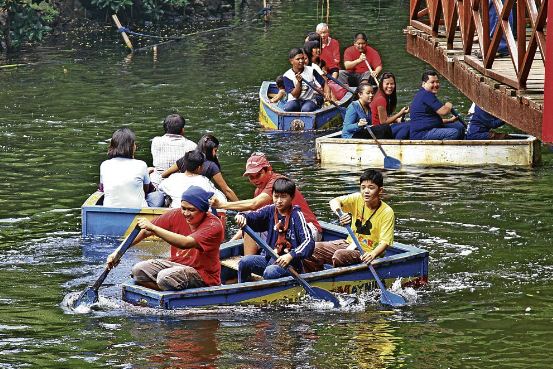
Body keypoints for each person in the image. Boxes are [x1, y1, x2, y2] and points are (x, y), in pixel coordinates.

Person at [106, 186, 224, 290]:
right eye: (184, 208)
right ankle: (163, 292)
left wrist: (154, 229)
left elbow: (185, 243)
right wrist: (118, 252)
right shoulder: (176, 214)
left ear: (203, 210)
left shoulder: (213, 225)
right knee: (138, 270)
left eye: (191, 210)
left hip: (202, 274)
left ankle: (167, 293)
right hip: (176, 265)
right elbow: (144, 231)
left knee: (164, 277)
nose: (186, 213)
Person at [210, 152, 321, 255]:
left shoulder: (277, 182)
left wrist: (221, 205)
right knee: (250, 224)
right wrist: (229, 243)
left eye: (258, 175)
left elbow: (254, 204)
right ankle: (249, 265)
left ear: (268, 170)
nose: (255, 180)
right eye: (251, 177)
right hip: (282, 229)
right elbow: (252, 219)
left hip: (307, 230)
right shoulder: (258, 191)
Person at [303, 169, 394, 272]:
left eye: (371, 188)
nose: (366, 191)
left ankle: (339, 281)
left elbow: (385, 242)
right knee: (311, 248)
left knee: (340, 255)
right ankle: (316, 279)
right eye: (363, 187)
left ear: (380, 190)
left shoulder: (387, 212)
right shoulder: (357, 198)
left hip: (368, 252)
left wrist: (372, 254)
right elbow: (334, 201)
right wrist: (340, 213)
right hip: (350, 244)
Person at [235, 177, 315, 282]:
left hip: (290, 265)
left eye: (283, 197)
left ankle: (268, 294)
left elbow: (309, 242)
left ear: (291, 197)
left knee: (270, 271)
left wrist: (291, 255)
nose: (279, 201)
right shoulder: (270, 210)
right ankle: (243, 290)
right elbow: (252, 216)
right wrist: (242, 216)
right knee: (244, 262)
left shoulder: (297, 215)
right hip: (270, 259)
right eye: (276, 196)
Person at [161, 134, 239, 201]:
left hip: (182, 196)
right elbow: (226, 190)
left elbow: (164, 175)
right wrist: (242, 208)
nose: (215, 154)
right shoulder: (211, 166)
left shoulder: (187, 159)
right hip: (200, 198)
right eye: (215, 150)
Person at [100, 128, 165, 208]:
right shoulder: (141, 165)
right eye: (134, 144)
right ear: (132, 147)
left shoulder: (104, 165)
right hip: (138, 211)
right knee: (159, 195)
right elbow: (146, 190)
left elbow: (102, 188)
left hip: (110, 209)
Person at [409, 70, 465, 140]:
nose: (436, 85)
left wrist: (450, 120)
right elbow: (444, 112)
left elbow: (431, 120)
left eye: (437, 82)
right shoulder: (426, 95)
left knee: (460, 127)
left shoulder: (426, 94)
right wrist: (448, 105)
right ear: (424, 84)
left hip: (430, 127)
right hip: (422, 133)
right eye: (432, 82)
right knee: (454, 133)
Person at [159, 149, 226, 208]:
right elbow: (221, 199)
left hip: (176, 212)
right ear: (200, 167)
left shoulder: (173, 178)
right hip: (195, 214)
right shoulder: (204, 181)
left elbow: (160, 188)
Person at [150, 114, 197, 186]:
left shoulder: (156, 141)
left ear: (165, 128)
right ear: (182, 129)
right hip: (180, 182)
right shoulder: (191, 145)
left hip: (158, 180)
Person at [282, 47, 331, 112]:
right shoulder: (287, 76)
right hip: (294, 100)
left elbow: (324, 83)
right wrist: (299, 82)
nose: (301, 61)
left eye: (302, 58)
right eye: (298, 59)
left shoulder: (311, 70)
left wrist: (327, 92)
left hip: (309, 100)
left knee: (306, 109)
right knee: (288, 108)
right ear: (291, 61)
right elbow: (296, 95)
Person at [370, 72, 411, 139]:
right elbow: (383, 122)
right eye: (387, 84)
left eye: (392, 84)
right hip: (380, 131)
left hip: (383, 128)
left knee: (408, 124)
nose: (389, 86)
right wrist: (400, 113)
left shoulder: (383, 95)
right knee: (408, 126)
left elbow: (385, 117)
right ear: (381, 84)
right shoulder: (381, 99)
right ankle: (397, 142)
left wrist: (396, 120)